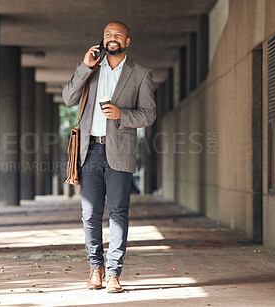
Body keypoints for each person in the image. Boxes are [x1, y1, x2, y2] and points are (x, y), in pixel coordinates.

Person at [62, 20, 156, 293]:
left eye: (118, 35)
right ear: (103, 40)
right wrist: (84, 67)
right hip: (89, 150)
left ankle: (114, 272)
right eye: (107, 35)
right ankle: (95, 267)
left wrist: (121, 115)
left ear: (127, 41)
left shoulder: (140, 74)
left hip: (120, 152)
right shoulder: (90, 70)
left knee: (118, 213)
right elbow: (68, 99)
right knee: (90, 213)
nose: (112, 38)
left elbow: (149, 114)